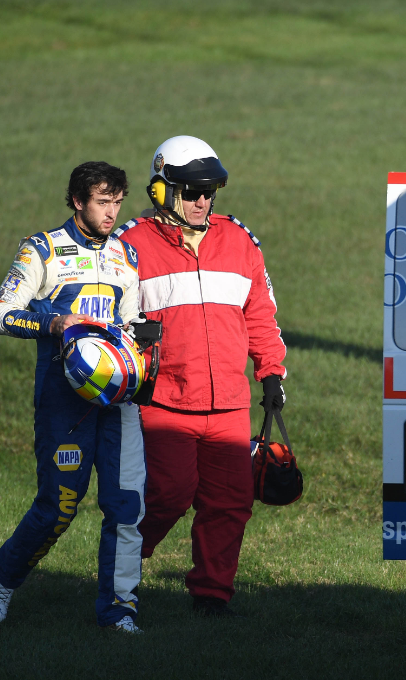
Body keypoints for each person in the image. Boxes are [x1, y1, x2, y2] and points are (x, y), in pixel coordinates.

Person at [114, 135, 286, 617]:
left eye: (209, 191)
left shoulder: (239, 241)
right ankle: (120, 567)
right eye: (191, 192)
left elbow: (261, 314)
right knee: (168, 493)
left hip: (229, 401)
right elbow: (106, 321)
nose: (202, 201)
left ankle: (211, 595)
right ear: (162, 191)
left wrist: (271, 374)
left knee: (230, 501)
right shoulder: (129, 245)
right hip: (163, 399)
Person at [0, 162, 147, 634]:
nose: (112, 212)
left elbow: (131, 322)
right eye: (103, 202)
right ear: (77, 201)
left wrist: (143, 341)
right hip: (63, 399)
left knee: (125, 507)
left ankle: (118, 610)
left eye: (118, 202)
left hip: (118, 399)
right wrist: (51, 323)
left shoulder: (126, 255)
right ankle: (4, 577)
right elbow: (0, 314)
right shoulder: (42, 249)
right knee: (59, 507)